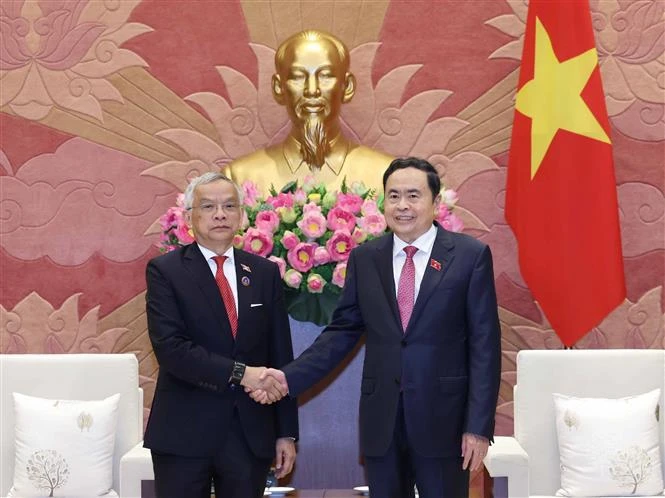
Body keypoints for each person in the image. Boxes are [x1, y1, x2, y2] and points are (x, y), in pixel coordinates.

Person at [251, 158, 501, 497]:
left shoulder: (469, 256)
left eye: (413, 195)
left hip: (445, 422)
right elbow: (342, 333)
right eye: (394, 195)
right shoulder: (366, 258)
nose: (402, 206)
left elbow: (485, 347)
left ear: (436, 203)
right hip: (382, 420)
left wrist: (477, 427)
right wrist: (288, 377)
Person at [143, 172, 298, 498]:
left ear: (242, 215)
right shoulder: (165, 271)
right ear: (189, 217)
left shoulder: (264, 273)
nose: (220, 214)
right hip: (184, 431)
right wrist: (241, 373)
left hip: (248, 433)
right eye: (208, 206)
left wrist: (286, 433)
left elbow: (280, 355)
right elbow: (171, 350)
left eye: (229, 206)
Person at [226, 29, 393, 193]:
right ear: (278, 87)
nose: (312, 90)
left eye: (325, 76)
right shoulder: (239, 178)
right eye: (297, 77)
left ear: (347, 87)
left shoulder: (386, 175)